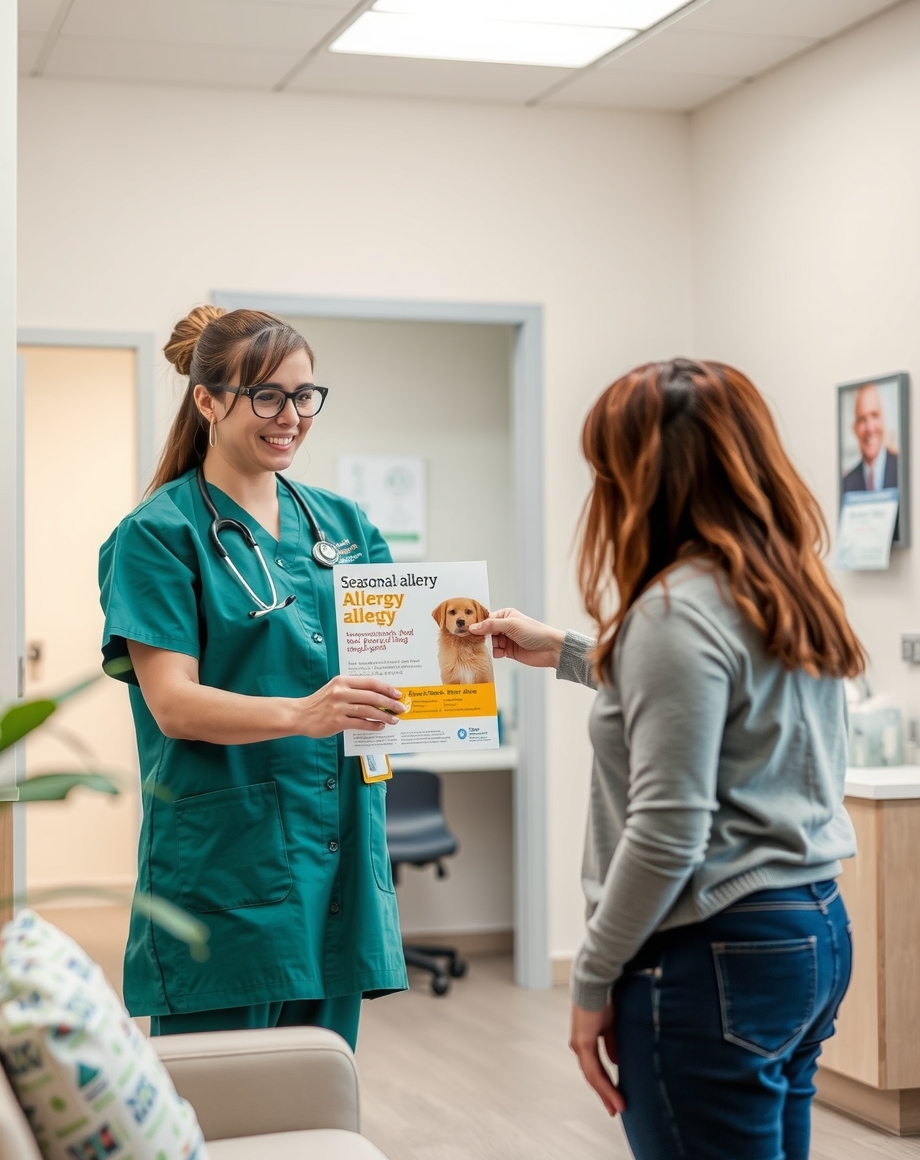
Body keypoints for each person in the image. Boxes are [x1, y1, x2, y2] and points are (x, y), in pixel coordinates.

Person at [471, 358, 862, 1160]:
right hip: (811, 930)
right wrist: (573, 652)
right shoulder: (785, 584)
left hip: (713, 946)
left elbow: (667, 829)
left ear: (644, 478)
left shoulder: (672, 610)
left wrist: (589, 977)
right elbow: (721, 714)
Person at [98, 305, 409, 1049]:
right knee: (222, 1114)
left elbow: (393, 665)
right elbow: (172, 703)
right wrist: (305, 714)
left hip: (336, 859)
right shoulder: (157, 536)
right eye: (267, 396)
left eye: (305, 396)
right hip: (226, 871)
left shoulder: (347, 527)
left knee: (319, 1100)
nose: (291, 416)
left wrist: (455, 668)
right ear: (207, 401)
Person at [842, 382, 898, 493]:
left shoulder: (903, 469)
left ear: (883, 419)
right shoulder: (846, 483)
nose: (869, 427)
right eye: (862, 419)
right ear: (855, 428)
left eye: (874, 415)